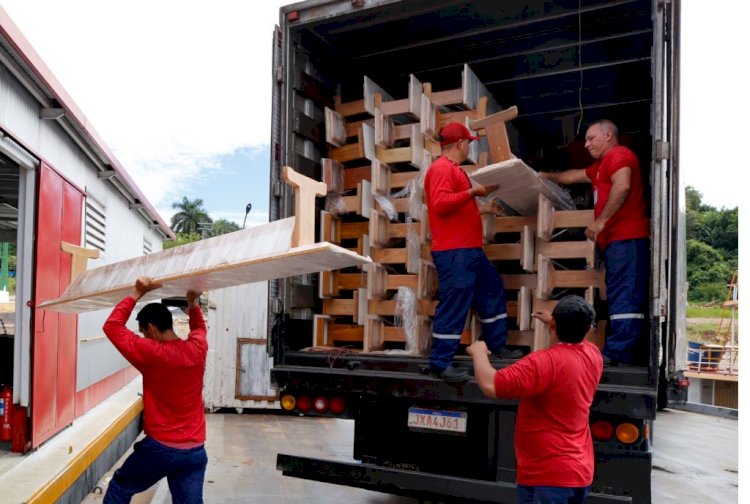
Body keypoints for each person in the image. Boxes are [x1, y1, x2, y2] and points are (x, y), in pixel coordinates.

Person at [467, 295, 603, 504]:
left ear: (555, 325)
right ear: (586, 329)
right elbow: (579, 337)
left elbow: (490, 385)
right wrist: (555, 322)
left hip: (546, 477)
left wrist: (479, 353)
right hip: (579, 473)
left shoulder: (542, 363)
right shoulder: (593, 355)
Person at [541, 120, 649, 365]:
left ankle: (619, 352)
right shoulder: (600, 166)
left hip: (627, 238)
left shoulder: (619, 155)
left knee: (626, 295)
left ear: (608, 134)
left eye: (591, 139)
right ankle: (619, 348)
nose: (587, 145)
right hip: (615, 242)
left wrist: (600, 222)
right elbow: (572, 176)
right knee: (620, 293)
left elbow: (622, 186)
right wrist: (544, 176)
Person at [424, 122, 522, 382]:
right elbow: (440, 204)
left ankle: (496, 346)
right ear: (459, 144)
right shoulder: (442, 169)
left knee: (492, 291)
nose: (468, 146)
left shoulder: (453, 170)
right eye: (468, 142)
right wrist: (472, 192)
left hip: (469, 251)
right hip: (454, 252)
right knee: (455, 304)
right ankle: (441, 363)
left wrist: (484, 208)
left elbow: (457, 210)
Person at [103, 277, 208, 504]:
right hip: (195, 451)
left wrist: (136, 293)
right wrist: (193, 303)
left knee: (120, 487)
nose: (142, 337)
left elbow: (111, 327)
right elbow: (199, 328)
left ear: (150, 329)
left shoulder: (151, 353)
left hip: (161, 448)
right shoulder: (198, 348)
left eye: (142, 332)